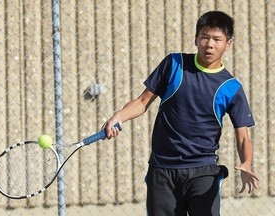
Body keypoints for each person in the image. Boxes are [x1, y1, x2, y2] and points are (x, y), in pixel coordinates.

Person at [102, 11, 259, 216]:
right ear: (196, 39)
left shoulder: (232, 87)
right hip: (162, 169)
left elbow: (243, 136)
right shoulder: (174, 64)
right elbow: (142, 102)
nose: (209, 44)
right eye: (204, 37)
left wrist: (246, 162)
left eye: (216, 39)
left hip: (203, 171)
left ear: (228, 44)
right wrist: (118, 116)